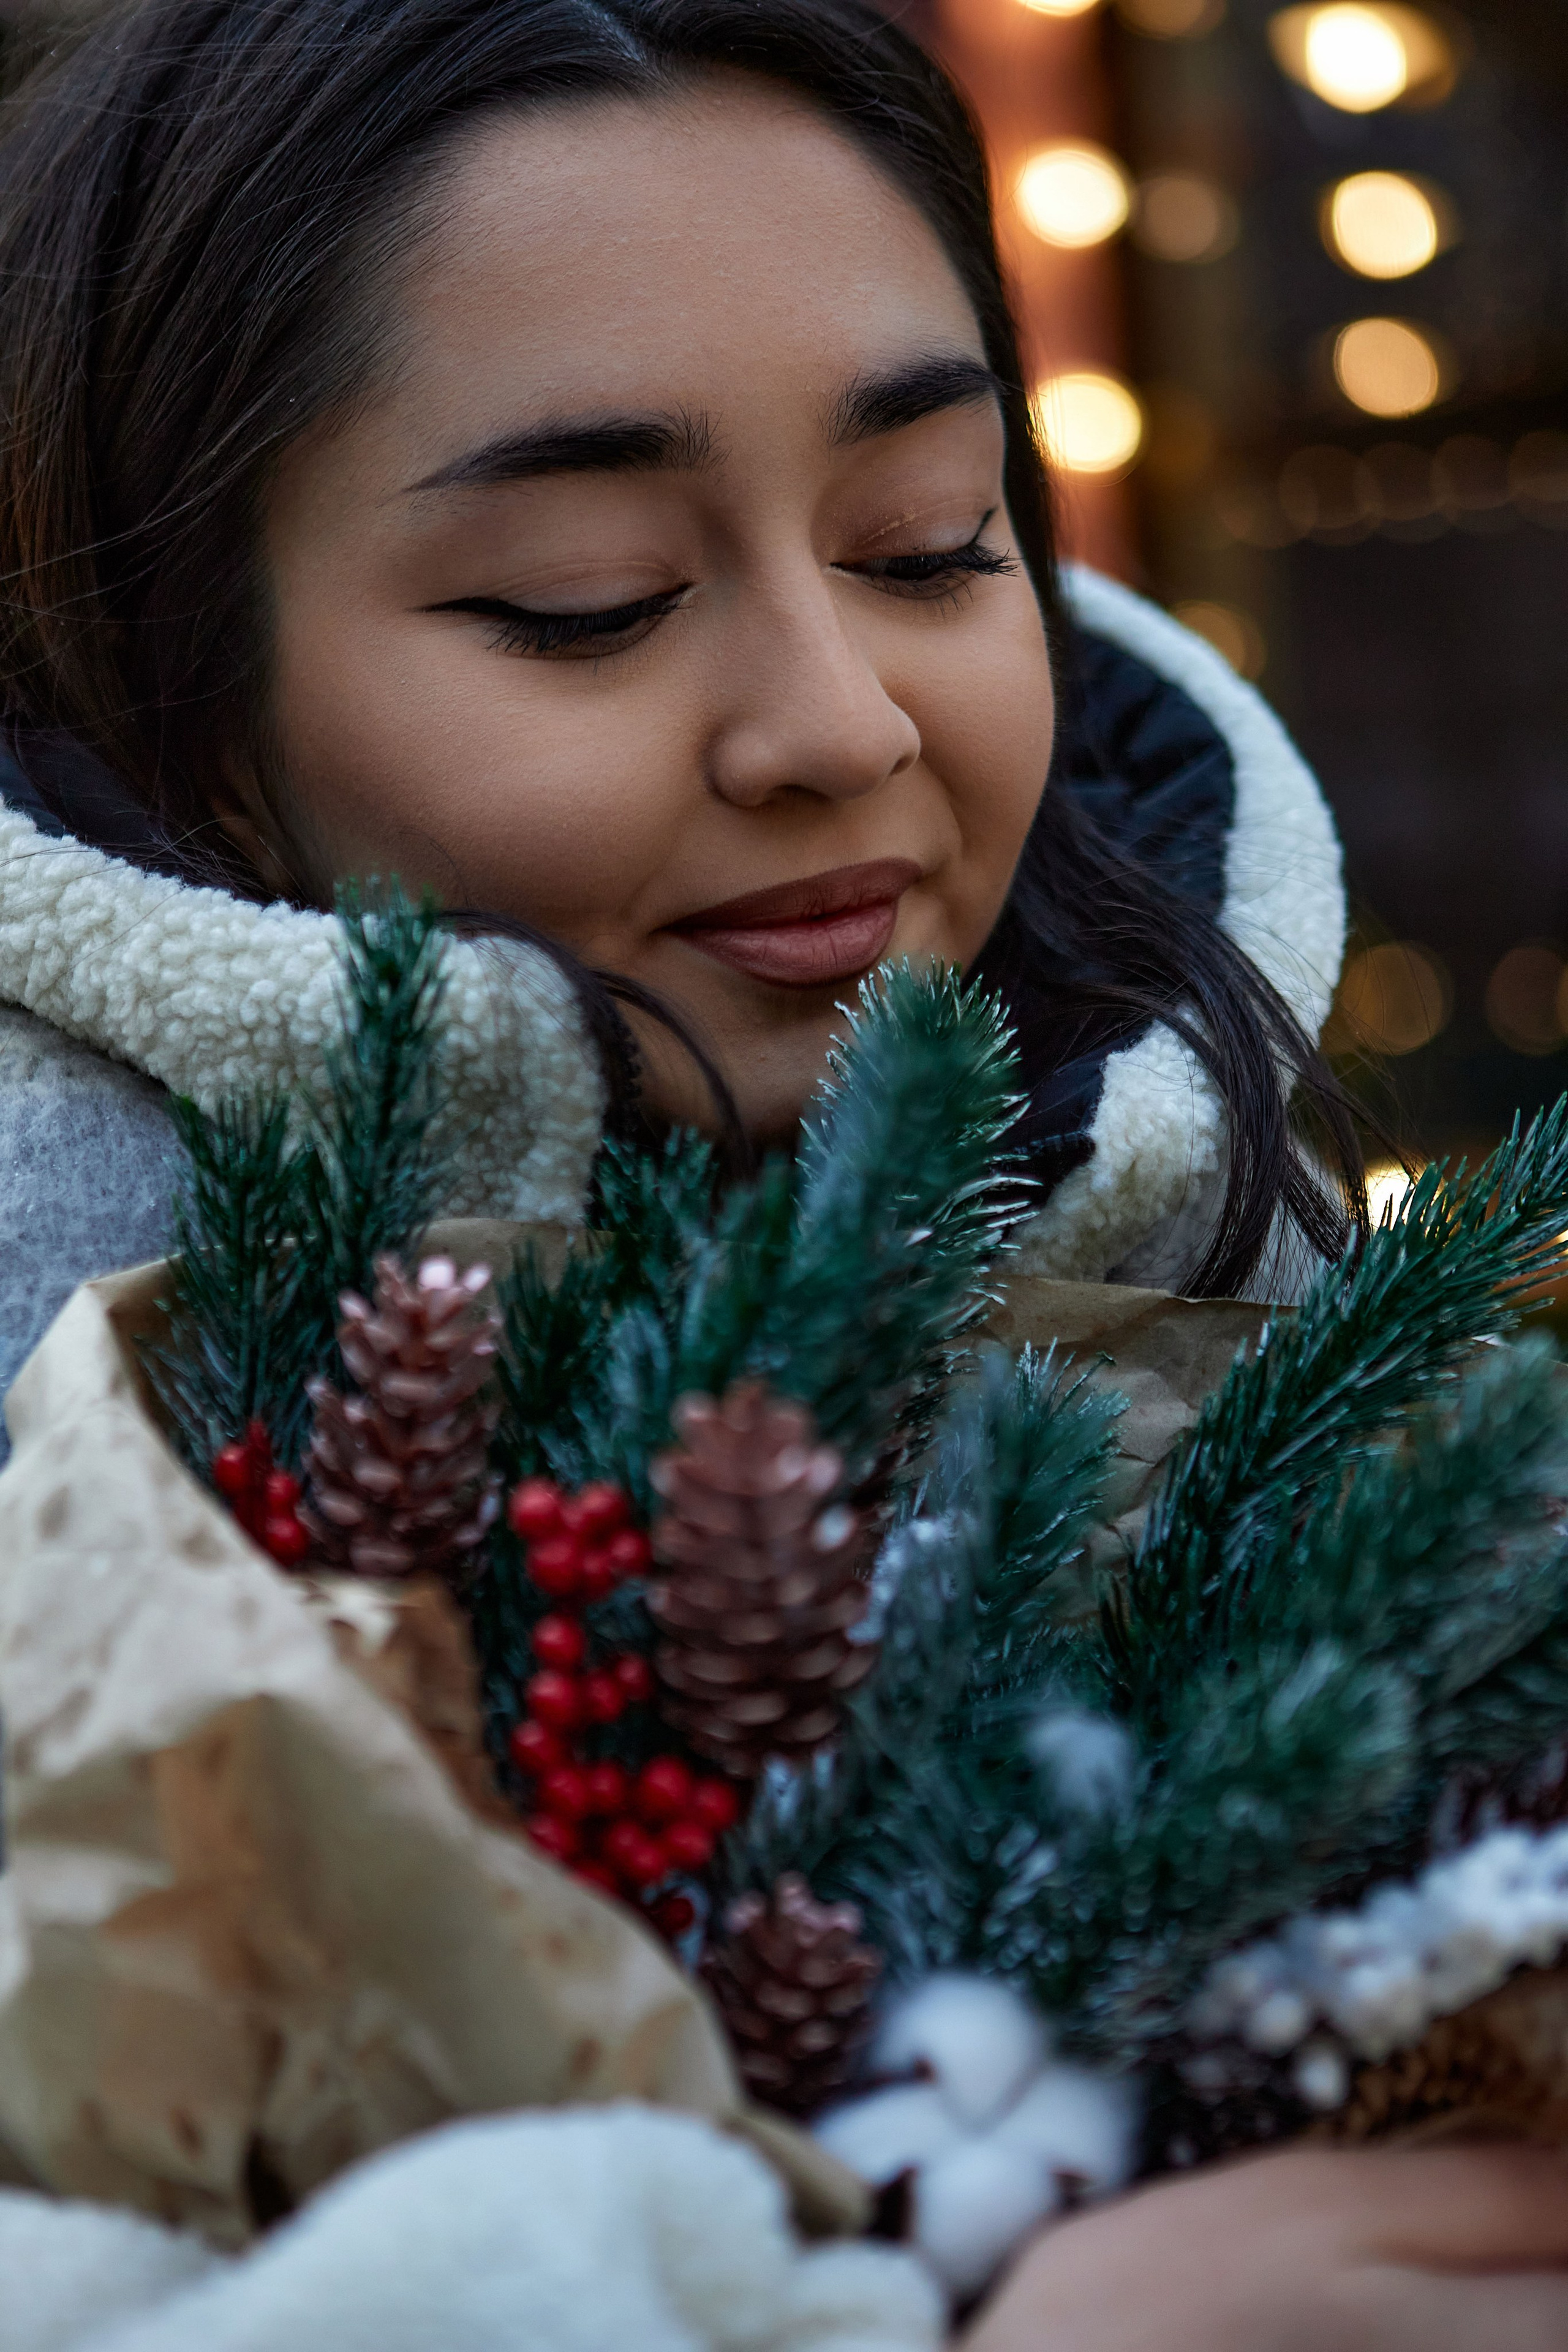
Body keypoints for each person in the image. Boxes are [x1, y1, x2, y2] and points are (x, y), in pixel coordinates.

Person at [1, 3, 1566, 2346]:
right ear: (185, 706)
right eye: (587, 598)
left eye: (929, 544)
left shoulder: (1289, 1333)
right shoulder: (74, 1475)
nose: (841, 722)